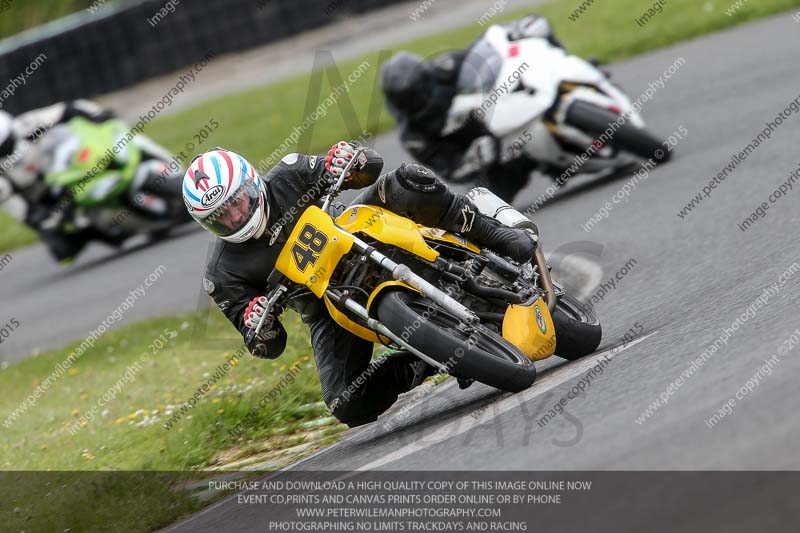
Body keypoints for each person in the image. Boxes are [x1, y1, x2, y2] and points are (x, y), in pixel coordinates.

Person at [185, 142, 537, 427]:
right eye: (220, 218)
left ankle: (495, 234)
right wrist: (257, 325)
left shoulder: (289, 173)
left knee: (406, 179)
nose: (235, 217)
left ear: (251, 181)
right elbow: (266, 345)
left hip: (355, 232)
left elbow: (369, 166)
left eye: (236, 202)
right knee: (345, 401)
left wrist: (350, 159)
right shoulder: (222, 275)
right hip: (324, 303)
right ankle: (422, 360)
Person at [380, 14, 563, 203]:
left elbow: (481, 56)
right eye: (409, 100)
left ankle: (570, 68)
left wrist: (505, 39)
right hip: (497, 155)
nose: (418, 100)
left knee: (535, 36)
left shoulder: (446, 67)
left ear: (426, 77)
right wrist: (472, 159)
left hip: (502, 107)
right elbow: (448, 170)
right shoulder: (413, 136)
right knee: (481, 203)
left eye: (418, 93)